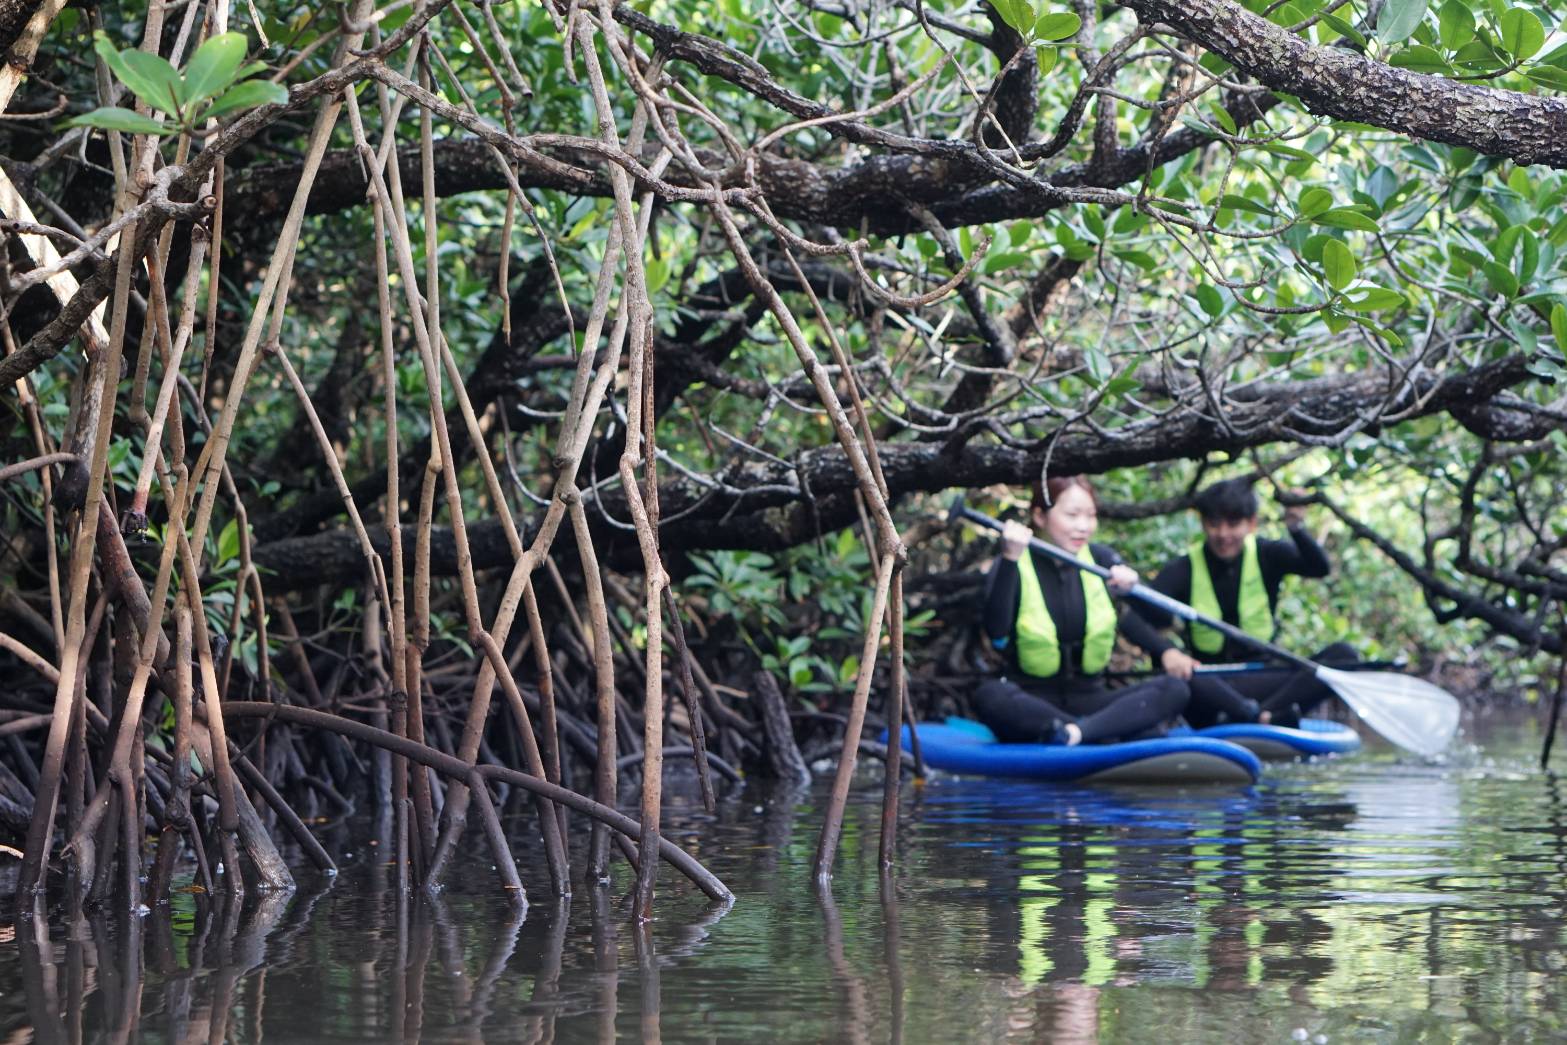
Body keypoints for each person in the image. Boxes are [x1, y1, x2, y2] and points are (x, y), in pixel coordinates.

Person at [974, 475, 1190, 745]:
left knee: (1173, 688)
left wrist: (1134, 595)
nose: (1084, 526)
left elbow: (1149, 619)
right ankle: (1100, 732)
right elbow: (996, 632)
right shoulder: (1013, 561)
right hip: (1034, 702)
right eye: (1072, 515)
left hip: (1093, 699)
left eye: (1091, 516)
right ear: (1039, 516)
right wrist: (1009, 559)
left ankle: (1075, 734)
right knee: (990, 695)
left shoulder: (1100, 559)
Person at [1137, 477, 1357, 728]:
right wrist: (1167, 651)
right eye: (1214, 524)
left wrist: (1296, 527)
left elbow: (1319, 568)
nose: (1223, 534)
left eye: (1233, 524)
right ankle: (1262, 717)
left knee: (1344, 655)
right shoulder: (1183, 569)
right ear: (1203, 523)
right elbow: (1139, 615)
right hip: (1212, 686)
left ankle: (1260, 716)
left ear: (1251, 523)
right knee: (1178, 675)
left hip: (1264, 676)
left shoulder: (1268, 554)